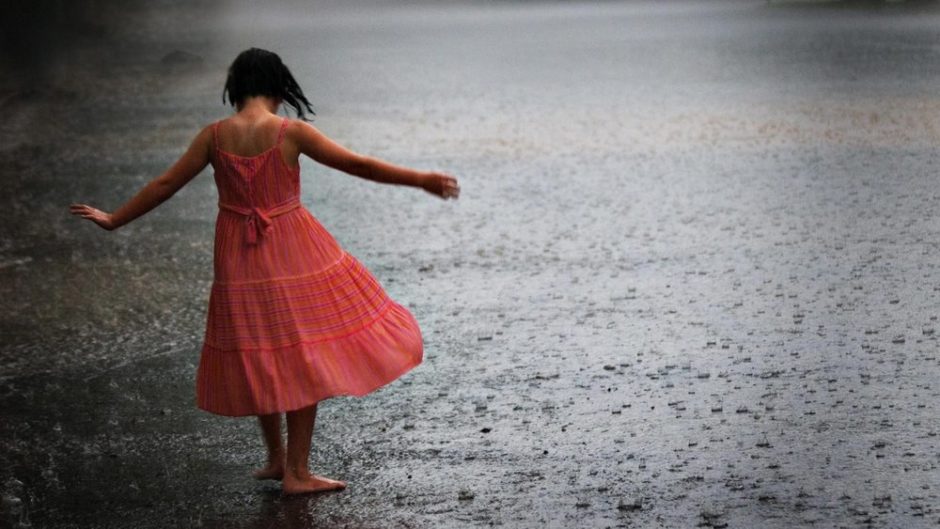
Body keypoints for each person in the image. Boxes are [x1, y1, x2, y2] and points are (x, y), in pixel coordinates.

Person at [69, 47, 459, 495]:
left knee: (261, 349)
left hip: (237, 254)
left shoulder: (214, 136)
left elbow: (165, 184)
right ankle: (297, 472)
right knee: (303, 351)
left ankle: (275, 458)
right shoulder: (290, 132)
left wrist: (115, 219)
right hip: (293, 249)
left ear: (235, 88)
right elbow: (358, 164)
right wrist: (420, 179)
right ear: (278, 86)